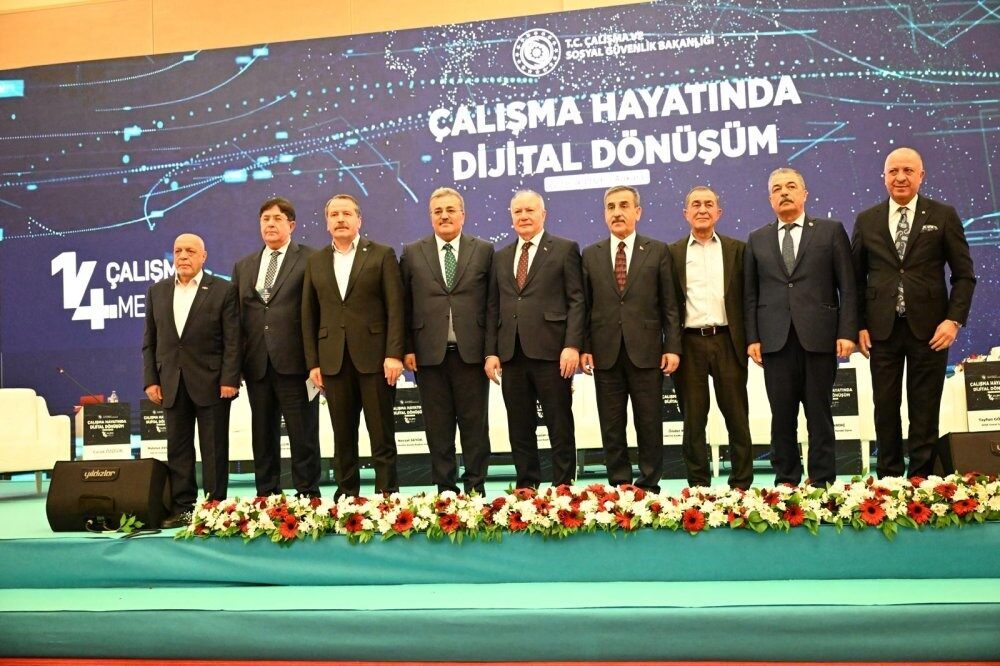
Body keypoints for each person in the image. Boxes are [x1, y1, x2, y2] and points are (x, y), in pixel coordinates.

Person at [851, 147, 976, 478]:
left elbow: (964, 276)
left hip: (931, 331)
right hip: (881, 331)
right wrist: (858, 325)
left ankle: (921, 480)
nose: (900, 177)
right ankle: (889, 481)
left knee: (925, 408)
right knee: (885, 408)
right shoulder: (867, 220)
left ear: (921, 176)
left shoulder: (943, 215)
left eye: (908, 170)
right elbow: (854, 281)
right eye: (893, 171)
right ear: (884, 177)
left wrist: (953, 320)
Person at [744, 168, 857, 487]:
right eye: (777, 189)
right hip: (775, 341)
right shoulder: (757, 238)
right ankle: (786, 480)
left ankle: (822, 480)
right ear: (770, 199)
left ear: (804, 194)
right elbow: (750, 294)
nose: (784, 192)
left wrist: (847, 331)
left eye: (791, 186)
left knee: (819, 413)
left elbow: (848, 286)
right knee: (782, 416)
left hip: (820, 338)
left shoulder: (830, 231)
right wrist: (752, 337)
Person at [302, 194, 405, 498]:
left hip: (376, 360)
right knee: (343, 436)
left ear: (359, 220)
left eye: (346, 214)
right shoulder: (316, 261)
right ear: (327, 223)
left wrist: (394, 354)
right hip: (333, 361)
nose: (340, 219)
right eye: (334, 214)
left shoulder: (382, 254)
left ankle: (387, 496)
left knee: (381, 433)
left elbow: (396, 308)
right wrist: (313, 363)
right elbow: (308, 315)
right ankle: (347, 496)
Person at [580, 185, 681, 492]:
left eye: (624, 206)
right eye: (611, 207)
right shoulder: (591, 254)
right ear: (604, 214)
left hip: (647, 352)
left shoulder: (658, 250)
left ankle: (649, 484)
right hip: (605, 352)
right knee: (611, 424)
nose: (617, 212)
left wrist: (672, 347)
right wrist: (585, 347)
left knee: (649, 421)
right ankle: (620, 484)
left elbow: (670, 305)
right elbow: (584, 306)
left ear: (638, 212)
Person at [485, 189, 585, 489]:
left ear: (543, 214)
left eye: (530, 210)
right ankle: (526, 485)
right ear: (511, 217)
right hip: (511, 354)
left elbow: (577, 301)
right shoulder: (501, 256)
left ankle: (564, 486)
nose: (524, 216)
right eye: (518, 212)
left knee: (559, 422)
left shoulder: (565, 249)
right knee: (519, 425)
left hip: (552, 352)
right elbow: (493, 307)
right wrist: (491, 352)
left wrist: (572, 345)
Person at [142, 233, 240, 527]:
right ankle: (183, 508)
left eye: (190, 251)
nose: (183, 256)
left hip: (213, 383)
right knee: (178, 449)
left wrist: (230, 378)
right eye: (178, 251)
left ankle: (214, 508)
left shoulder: (223, 290)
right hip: (171, 383)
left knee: (214, 449)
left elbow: (233, 340)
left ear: (203, 256)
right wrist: (151, 380)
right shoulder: (157, 291)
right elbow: (150, 341)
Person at [400, 187, 494, 495]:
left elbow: (493, 305)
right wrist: (407, 347)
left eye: (450, 210)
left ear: (462, 215)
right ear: (430, 217)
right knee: (438, 427)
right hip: (428, 355)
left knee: (475, 426)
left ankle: (476, 487)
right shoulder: (412, 252)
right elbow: (404, 304)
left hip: (472, 354)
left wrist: (491, 351)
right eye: (437, 211)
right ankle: (445, 489)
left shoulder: (484, 250)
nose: (444, 216)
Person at [232, 197, 320, 498]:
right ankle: (266, 495)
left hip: (297, 363)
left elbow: (318, 311)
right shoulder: (244, 266)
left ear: (291, 225)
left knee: (303, 433)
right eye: (265, 219)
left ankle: (308, 495)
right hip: (257, 364)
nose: (270, 224)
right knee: (262, 435)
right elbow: (238, 319)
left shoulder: (311, 259)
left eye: (277, 218)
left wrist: (315, 360)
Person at [668, 186, 754, 489]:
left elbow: (749, 298)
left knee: (736, 415)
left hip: (728, 340)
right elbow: (667, 304)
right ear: (686, 213)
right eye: (695, 204)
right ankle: (699, 486)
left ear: (719, 212)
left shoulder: (738, 249)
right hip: (688, 343)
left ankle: (741, 484)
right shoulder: (672, 253)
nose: (702, 210)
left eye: (708, 204)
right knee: (693, 420)